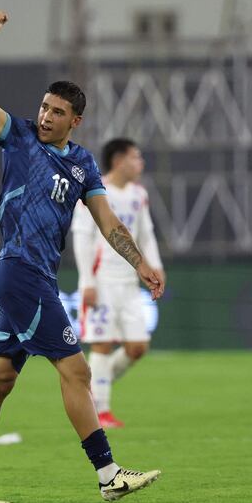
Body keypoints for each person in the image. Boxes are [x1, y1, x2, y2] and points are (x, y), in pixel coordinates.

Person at [0, 10, 165, 503]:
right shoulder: (17, 136)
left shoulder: (84, 163)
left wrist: (141, 263)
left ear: (75, 120)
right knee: (78, 372)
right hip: (20, 273)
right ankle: (109, 475)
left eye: (56, 112)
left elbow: (108, 222)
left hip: (33, 276)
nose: (45, 116)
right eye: (43, 107)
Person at [71, 138, 165, 429]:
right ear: (119, 160)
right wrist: (87, 281)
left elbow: (146, 233)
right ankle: (102, 410)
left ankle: (92, 388)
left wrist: (156, 266)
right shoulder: (95, 193)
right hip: (102, 281)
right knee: (102, 345)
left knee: (138, 346)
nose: (141, 163)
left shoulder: (138, 194)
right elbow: (82, 237)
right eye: (135, 158)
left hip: (129, 284)